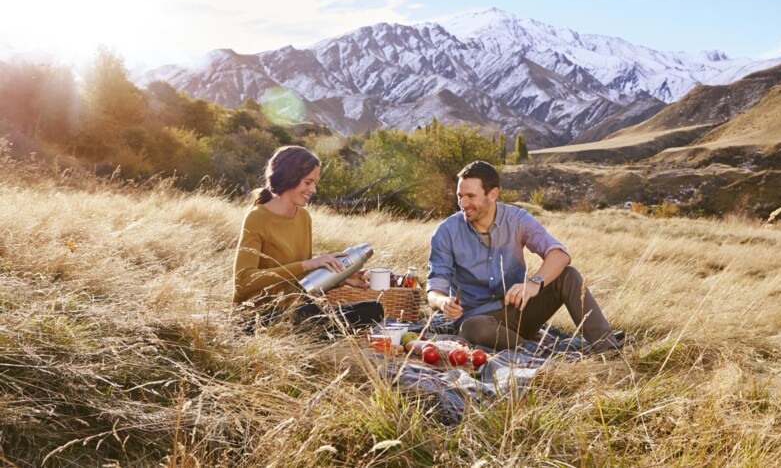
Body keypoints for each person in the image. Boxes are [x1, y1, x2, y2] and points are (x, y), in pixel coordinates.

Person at [426, 160, 620, 352]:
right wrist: (443, 302)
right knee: (470, 327)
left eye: (470, 196)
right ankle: (538, 350)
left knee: (568, 275)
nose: (463, 203)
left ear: (492, 194)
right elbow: (434, 290)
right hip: (478, 321)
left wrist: (534, 283)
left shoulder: (517, 219)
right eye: (460, 196)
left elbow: (559, 255)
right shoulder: (446, 232)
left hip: (520, 312)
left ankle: (608, 349)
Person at [233, 145, 383, 331]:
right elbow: (243, 282)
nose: (314, 189)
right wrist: (306, 264)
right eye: (308, 182)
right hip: (258, 318)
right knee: (315, 316)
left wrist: (339, 279)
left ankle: (304, 332)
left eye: (315, 183)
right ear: (289, 178)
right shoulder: (257, 218)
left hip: (295, 311)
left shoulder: (303, 217)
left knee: (373, 310)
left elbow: (303, 286)